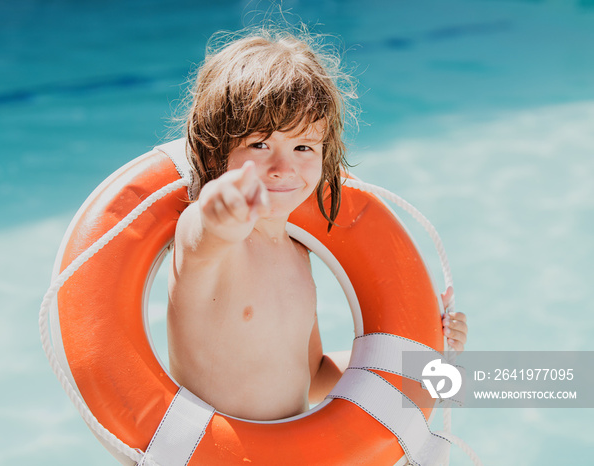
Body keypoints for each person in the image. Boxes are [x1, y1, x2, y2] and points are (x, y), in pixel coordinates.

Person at [166, 28, 468, 422]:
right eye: (260, 144)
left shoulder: (296, 250)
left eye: (303, 147)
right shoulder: (211, 242)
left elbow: (312, 377)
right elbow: (206, 231)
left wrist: (419, 352)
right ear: (214, 149)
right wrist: (223, 206)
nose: (283, 168)